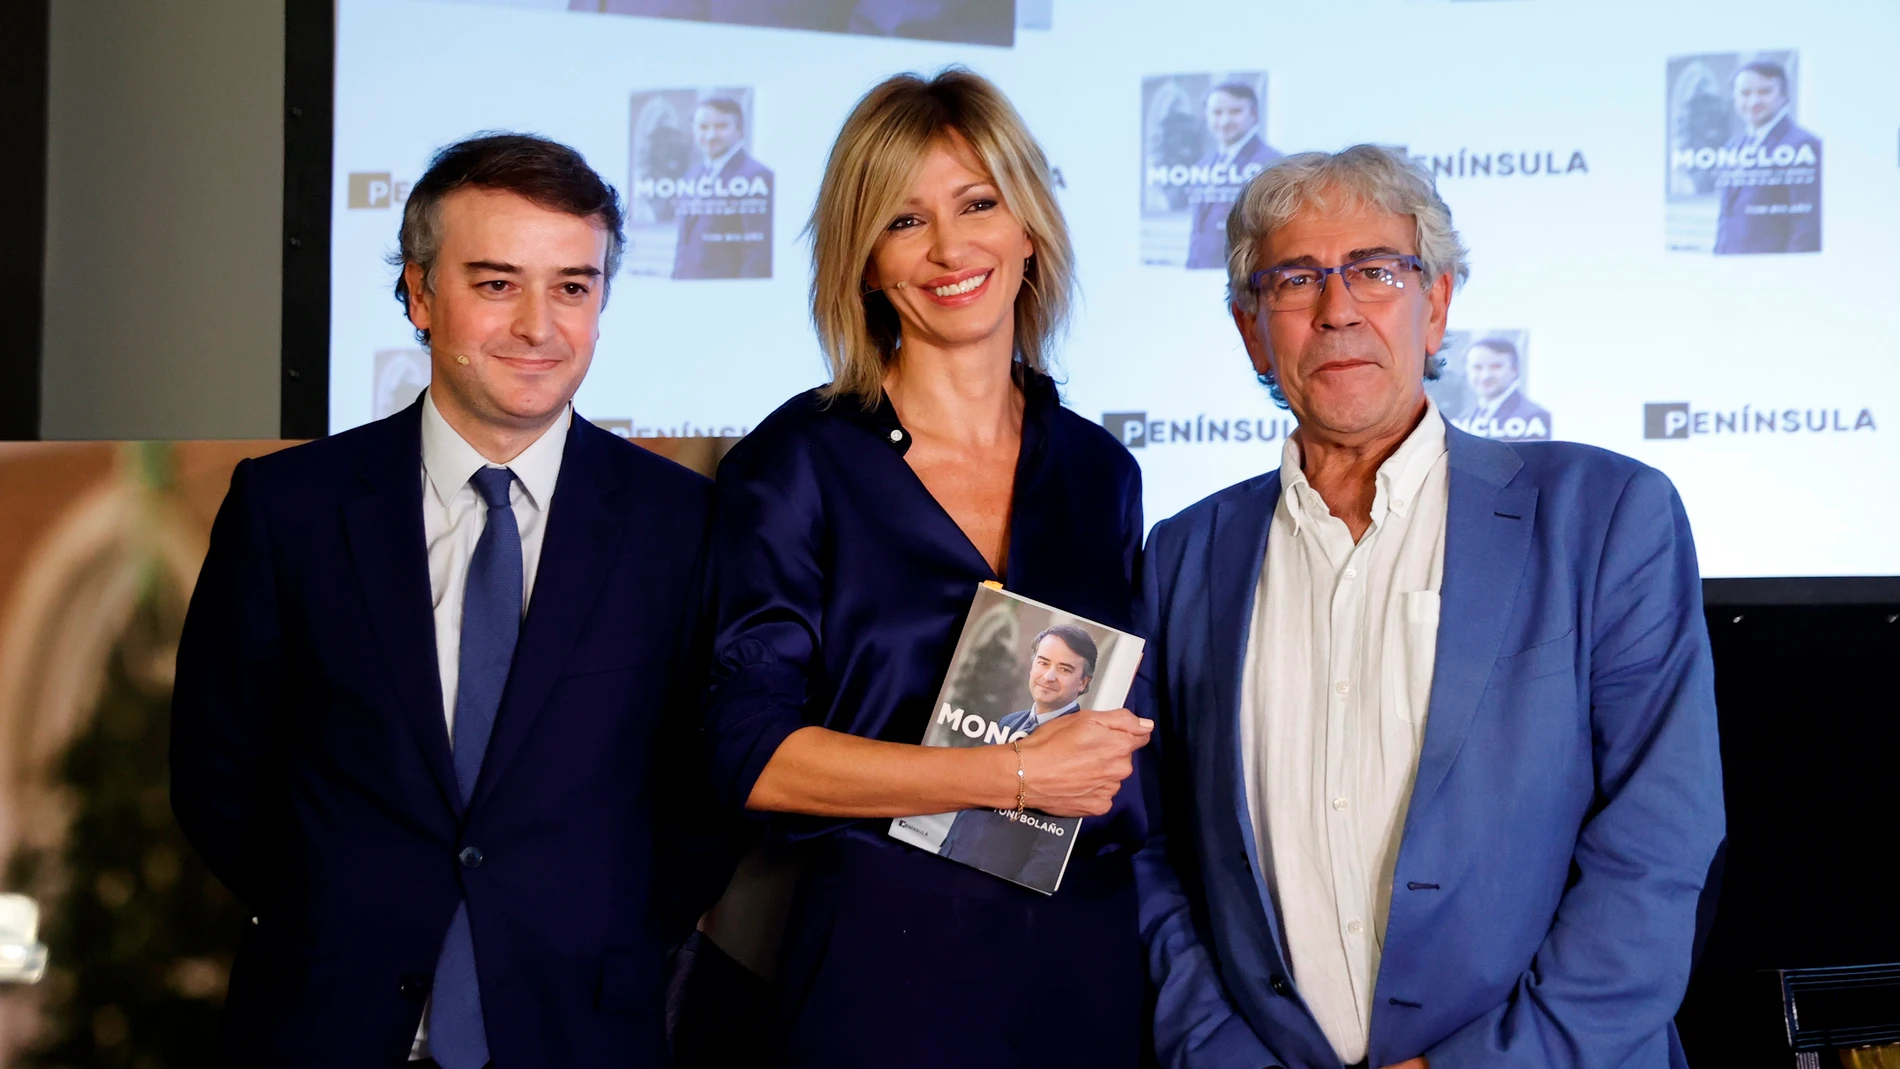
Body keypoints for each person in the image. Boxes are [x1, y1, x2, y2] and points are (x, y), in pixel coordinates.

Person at [1134, 145, 1724, 1069]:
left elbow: (1658, 848)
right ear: (1253, 331)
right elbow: (1151, 851)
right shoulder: (1183, 555)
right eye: (1296, 279)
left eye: (1376, 271)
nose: (1338, 309)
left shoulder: (1604, 517)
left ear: (1437, 306)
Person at [171, 134, 731, 1068]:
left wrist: (588, 928)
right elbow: (217, 774)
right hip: (325, 1027)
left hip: (579, 1030)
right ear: (421, 295)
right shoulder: (289, 510)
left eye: (574, 286)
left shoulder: (687, 527)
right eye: (498, 283)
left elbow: (704, 798)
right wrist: (343, 908)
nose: (539, 328)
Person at [701, 68, 1152, 1068]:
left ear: (1029, 229)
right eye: (904, 221)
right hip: (882, 967)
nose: (950, 248)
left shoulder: (1098, 473)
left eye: (978, 204)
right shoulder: (795, 466)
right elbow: (750, 754)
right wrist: (1015, 773)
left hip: (1082, 961)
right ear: (864, 264)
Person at [938, 625, 1100, 885]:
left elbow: (1051, 851)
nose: (1048, 676)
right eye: (1043, 662)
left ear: (1083, 682)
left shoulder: (1082, 748)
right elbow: (974, 801)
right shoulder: (1008, 723)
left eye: (1064, 669)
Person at [1713, 61, 1821, 255]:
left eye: (1764, 92)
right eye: (1745, 93)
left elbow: (1806, 225)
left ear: (1784, 96)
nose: (1753, 101)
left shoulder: (1804, 145)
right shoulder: (1734, 146)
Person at [671, 96, 774, 279]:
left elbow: (757, 253)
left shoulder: (757, 176)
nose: (710, 135)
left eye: (721, 126)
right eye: (703, 127)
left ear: (740, 131)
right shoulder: (692, 175)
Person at [1186, 82, 1284, 270]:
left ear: (1253, 115)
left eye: (1235, 112)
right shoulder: (1204, 163)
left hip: (1244, 278)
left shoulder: (1274, 163)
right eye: (1217, 112)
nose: (1224, 121)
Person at [1455, 335, 1549, 440]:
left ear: (1515, 369)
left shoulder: (1534, 417)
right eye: (1477, 367)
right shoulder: (1463, 419)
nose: (1485, 376)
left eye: (1496, 367)